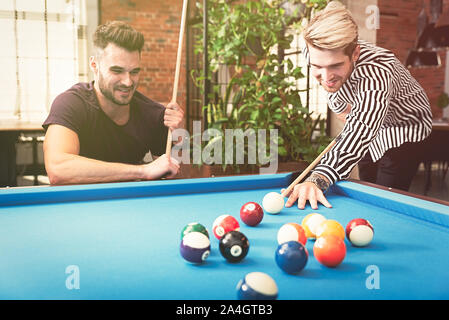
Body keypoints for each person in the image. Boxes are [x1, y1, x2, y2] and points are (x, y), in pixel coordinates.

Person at [284, 2, 432, 210]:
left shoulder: (377, 69)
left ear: (355, 54)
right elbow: (343, 105)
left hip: (404, 129)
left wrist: (319, 176)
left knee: (382, 199)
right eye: (318, 67)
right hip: (370, 125)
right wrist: (346, 111)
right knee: (365, 187)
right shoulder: (312, 51)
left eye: (335, 65)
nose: (325, 77)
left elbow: (361, 130)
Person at [43, 21, 184, 185]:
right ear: (94, 65)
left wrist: (180, 137)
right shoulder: (70, 104)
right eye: (117, 71)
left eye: (134, 72)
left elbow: (176, 176)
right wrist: (142, 171)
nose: (128, 82)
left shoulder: (153, 114)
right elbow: (58, 170)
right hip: (78, 206)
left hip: (133, 205)